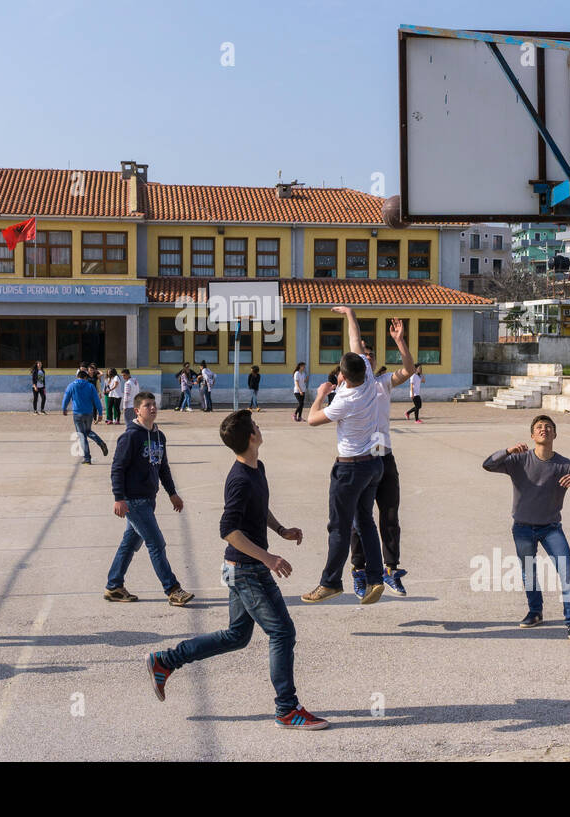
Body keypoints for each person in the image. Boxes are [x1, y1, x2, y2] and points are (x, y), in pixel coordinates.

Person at [145, 409, 328, 729]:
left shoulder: (256, 468)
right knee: (282, 632)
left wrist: (281, 530)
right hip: (247, 571)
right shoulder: (239, 479)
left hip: (247, 568)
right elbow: (229, 530)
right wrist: (269, 558)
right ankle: (287, 708)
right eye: (255, 425)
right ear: (250, 437)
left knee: (236, 636)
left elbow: (258, 509)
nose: (259, 426)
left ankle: (165, 661)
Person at [483, 415, 570, 644]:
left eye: (548, 427)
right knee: (529, 572)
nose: (543, 429)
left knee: (567, 572)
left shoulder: (564, 464)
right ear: (533, 435)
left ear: (555, 434)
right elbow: (488, 464)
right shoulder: (519, 459)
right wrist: (507, 450)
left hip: (551, 528)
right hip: (522, 528)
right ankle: (535, 612)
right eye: (539, 427)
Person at [302, 306, 385, 605]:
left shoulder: (344, 401)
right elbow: (356, 342)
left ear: (343, 378)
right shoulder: (369, 379)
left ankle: (330, 583)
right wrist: (349, 315)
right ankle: (375, 577)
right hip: (373, 465)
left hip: (350, 470)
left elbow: (311, 420)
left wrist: (321, 394)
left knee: (338, 526)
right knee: (365, 521)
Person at [105, 392, 194, 606]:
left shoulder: (159, 436)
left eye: (154, 405)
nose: (152, 408)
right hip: (133, 500)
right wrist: (119, 498)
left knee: (129, 543)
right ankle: (172, 589)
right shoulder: (130, 436)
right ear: (137, 410)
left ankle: (114, 586)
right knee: (156, 543)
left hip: (148, 499)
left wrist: (172, 493)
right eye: (147, 405)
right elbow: (117, 468)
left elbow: (163, 468)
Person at [349, 318, 414, 598]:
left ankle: (390, 569)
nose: (368, 356)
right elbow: (355, 347)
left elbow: (409, 370)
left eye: (371, 353)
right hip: (361, 458)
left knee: (389, 515)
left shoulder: (383, 383)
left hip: (383, 454)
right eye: (363, 354)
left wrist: (400, 342)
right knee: (359, 517)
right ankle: (359, 571)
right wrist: (351, 316)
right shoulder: (352, 388)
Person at [62, 368, 108, 464]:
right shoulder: (90, 386)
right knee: (87, 431)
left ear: (77, 377)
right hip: (89, 413)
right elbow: (96, 400)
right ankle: (100, 442)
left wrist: (64, 408)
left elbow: (66, 397)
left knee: (82, 435)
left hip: (77, 414)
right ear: (85, 377)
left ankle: (87, 458)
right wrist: (100, 413)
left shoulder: (71, 386)